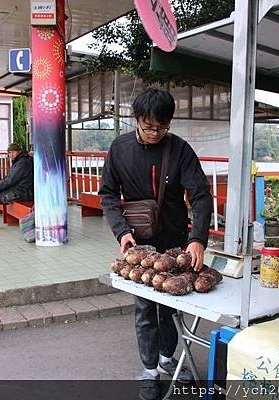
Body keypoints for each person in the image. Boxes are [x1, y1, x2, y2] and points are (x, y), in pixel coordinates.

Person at [99, 89, 212, 400]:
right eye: (148, 126)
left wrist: (198, 239)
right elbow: (107, 194)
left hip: (175, 243)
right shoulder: (119, 148)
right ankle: (150, 371)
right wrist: (121, 231)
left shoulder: (180, 150)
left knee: (172, 307)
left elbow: (201, 195)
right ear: (136, 120)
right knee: (145, 309)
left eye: (161, 127)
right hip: (138, 244)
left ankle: (166, 358)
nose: (154, 133)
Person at [0, 143, 33, 229]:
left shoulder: (22, 163)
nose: (11, 155)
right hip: (19, 189)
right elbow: (9, 179)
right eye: (9, 153)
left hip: (23, 192)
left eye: (13, 152)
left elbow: (10, 180)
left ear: (19, 151)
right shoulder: (19, 161)